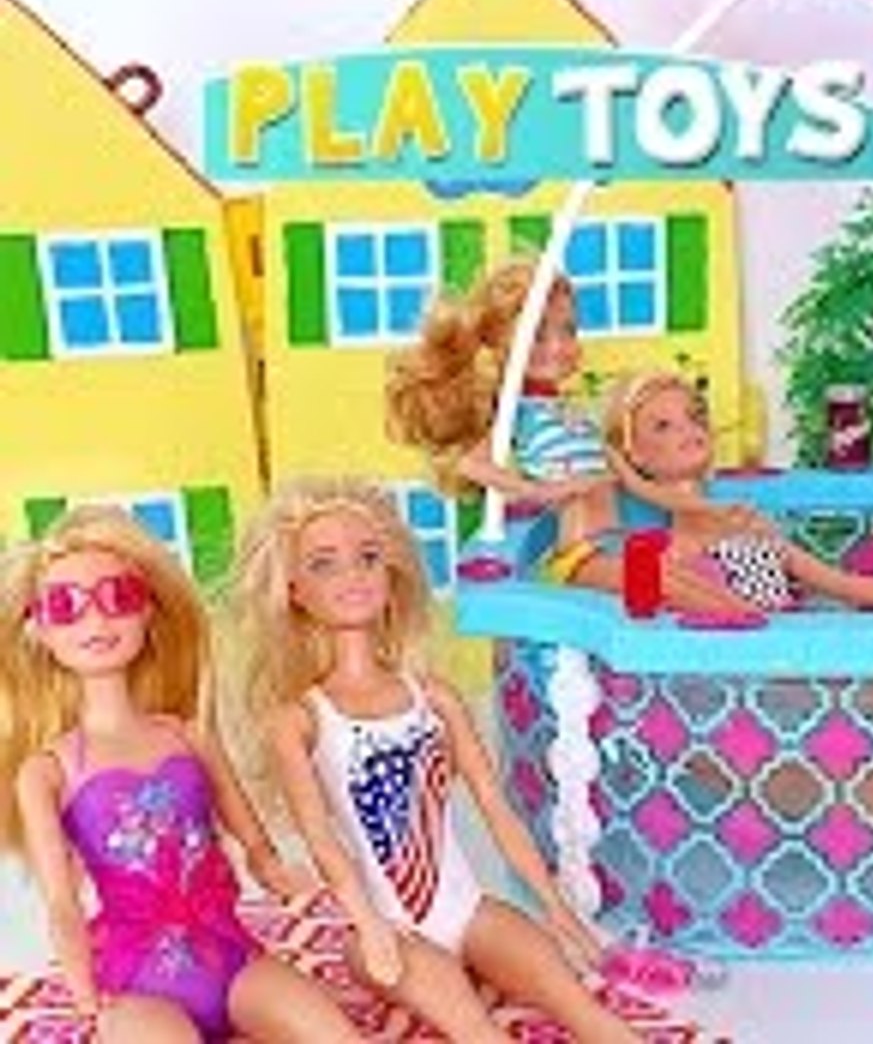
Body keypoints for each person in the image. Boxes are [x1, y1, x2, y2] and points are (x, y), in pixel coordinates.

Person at [231, 478, 639, 1042]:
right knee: (477, 1031)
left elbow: (495, 808)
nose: (352, 576)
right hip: (389, 930)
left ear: (392, 572)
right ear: (294, 591)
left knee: (581, 1006)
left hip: (469, 910)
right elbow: (322, 841)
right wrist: (369, 926)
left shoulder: (433, 697)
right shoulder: (300, 718)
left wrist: (555, 905)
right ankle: (458, 989)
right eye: (324, 564)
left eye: (368, 558)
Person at [0, 506, 362, 1042]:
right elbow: (60, 902)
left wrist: (276, 870)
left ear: (149, 612)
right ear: (39, 631)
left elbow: (253, 839)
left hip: (232, 957)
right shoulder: (46, 770)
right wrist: (85, 997)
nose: (97, 622)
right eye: (66, 606)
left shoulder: (188, 735)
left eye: (118, 597)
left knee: (337, 1035)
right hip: (136, 982)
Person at [384, 258, 753, 594]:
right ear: (498, 346)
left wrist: (711, 510)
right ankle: (744, 630)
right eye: (538, 336)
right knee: (669, 585)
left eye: (569, 330)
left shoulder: (575, 416)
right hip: (580, 554)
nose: (559, 347)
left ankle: (749, 627)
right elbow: (469, 464)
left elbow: (637, 486)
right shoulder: (519, 413)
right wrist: (538, 491)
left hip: (620, 541)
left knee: (696, 577)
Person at [607, 370, 873, 614]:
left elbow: (839, 584)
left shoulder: (750, 529)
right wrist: (629, 478)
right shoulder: (667, 559)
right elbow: (676, 502)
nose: (688, 430)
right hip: (723, 674)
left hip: (792, 662)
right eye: (662, 426)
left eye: (695, 417)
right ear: (635, 454)